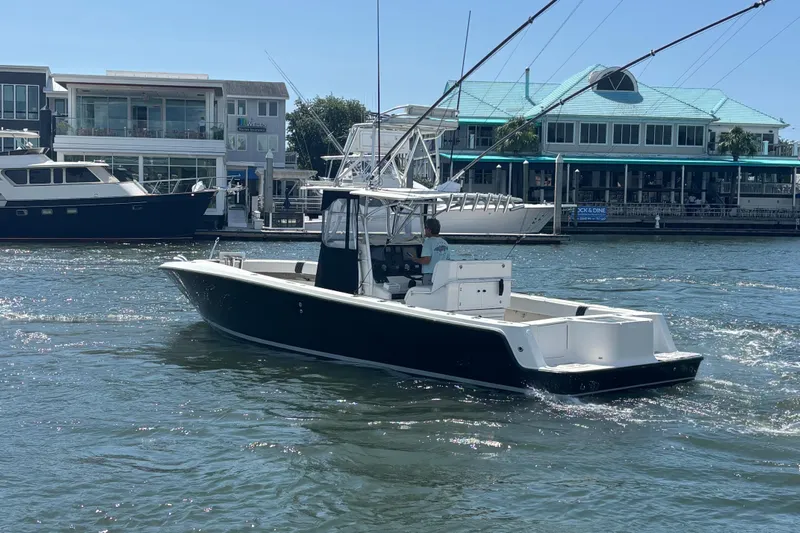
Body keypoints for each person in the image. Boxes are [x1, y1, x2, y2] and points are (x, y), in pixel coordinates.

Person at [409, 218, 450, 286]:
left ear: (429, 230)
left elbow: (426, 260)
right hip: (442, 276)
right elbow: (448, 260)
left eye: (425, 228)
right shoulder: (445, 243)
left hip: (430, 276)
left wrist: (415, 259)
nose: (424, 230)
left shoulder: (428, 242)